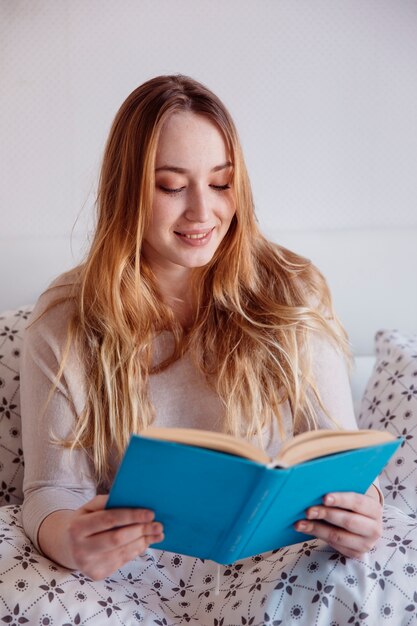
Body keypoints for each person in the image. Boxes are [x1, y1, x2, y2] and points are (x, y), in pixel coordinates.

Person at [20, 75, 383, 583]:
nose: (202, 211)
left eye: (220, 182)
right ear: (126, 189)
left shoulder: (292, 291)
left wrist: (363, 509)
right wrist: (70, 540)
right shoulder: (65, 319)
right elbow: (48, 492)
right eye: (170, 185)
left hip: (275, 567)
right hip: (134, 577)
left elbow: (343, 459)